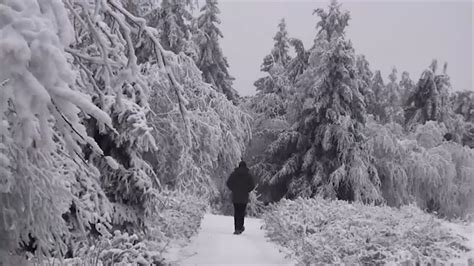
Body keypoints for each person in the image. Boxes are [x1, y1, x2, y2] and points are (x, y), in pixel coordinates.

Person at [226, 160, 255, 235]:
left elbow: (228, 183)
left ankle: (236, 228)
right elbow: (252, 185)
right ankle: (240, 227)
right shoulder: (248, 175)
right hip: (244, 197)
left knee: (236, 212)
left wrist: (234, 189)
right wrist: (247, 190)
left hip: (235, 196)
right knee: (242, 212)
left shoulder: (234, 174)